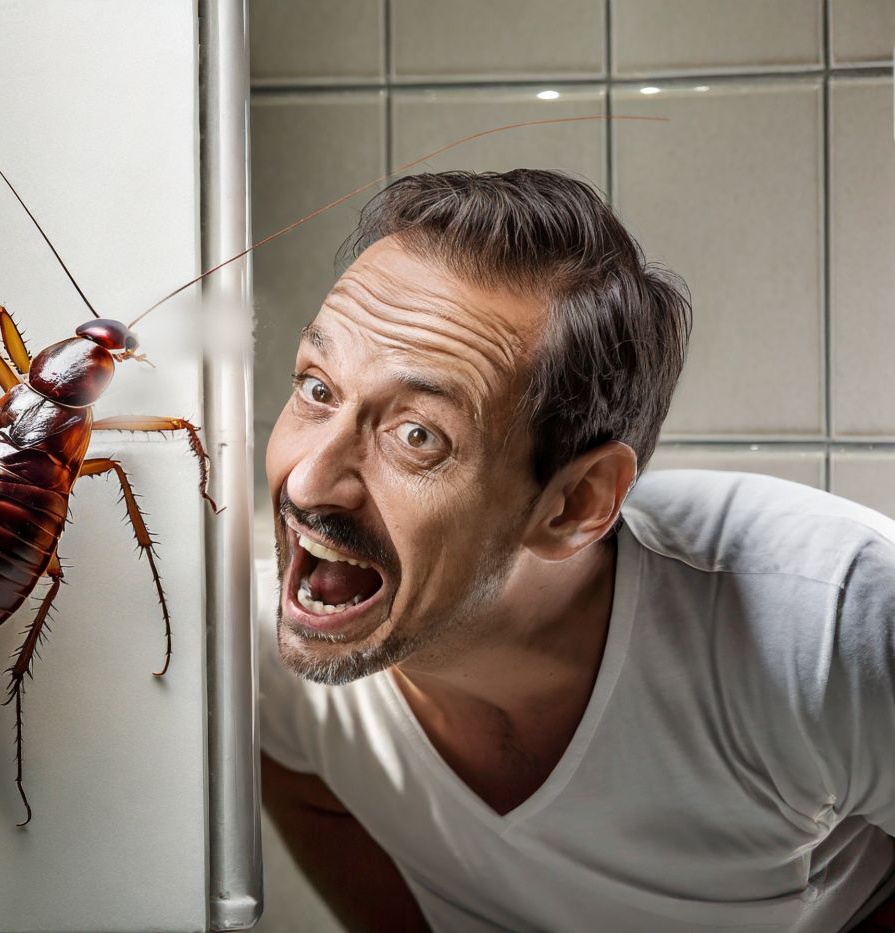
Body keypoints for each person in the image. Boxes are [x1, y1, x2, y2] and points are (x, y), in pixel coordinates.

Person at [255, 169, 895, 932]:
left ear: (576, 503)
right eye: (318, 388)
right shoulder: (261, 643)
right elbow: (297, 773)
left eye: (417, 435)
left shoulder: (831, 618)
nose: (309, 479)